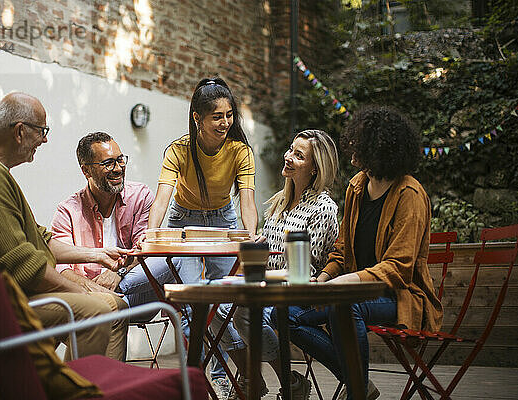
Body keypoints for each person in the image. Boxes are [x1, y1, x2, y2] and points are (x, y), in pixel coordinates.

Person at [0, 92, 130, 361]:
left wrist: (95, 254)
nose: (45, 139)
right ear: (20, 132)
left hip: (10, 296)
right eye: (42, 131)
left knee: (116, 305)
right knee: (100, 311)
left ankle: (75, 384)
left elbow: (38, 238)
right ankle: (75, 390)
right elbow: (24, 265)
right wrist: (81, 290)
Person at [278, 105, 443, 400]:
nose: (352, 149)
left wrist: (341, 285)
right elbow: (342, 250)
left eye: (360, 144)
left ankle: (355, 392)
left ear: (379, 150)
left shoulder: (411, 195)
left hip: (398, 295)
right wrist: (325, 278)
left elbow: (398, 268)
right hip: (350, 291)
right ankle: (359, 384)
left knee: (347, 306)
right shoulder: (357, 187)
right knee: (284, 313)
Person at [147, 77, 259, 398]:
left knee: (227, 303)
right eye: (217, 117)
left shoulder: (240, 151)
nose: (225, 122)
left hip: (223, 222)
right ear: (198, 117)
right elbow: (162, 198)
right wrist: (153, 233)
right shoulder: (179, 150)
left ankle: (220, 371)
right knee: (194, 299)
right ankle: (203, 373)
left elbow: (247, 202)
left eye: (229, 115)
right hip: (184, 221)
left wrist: (248, 237)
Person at [215, 130, 340, 399]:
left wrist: (261, 278)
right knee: (214, 309)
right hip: (267, 285)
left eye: (298, 155)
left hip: (302, 293)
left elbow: (304, 270)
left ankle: (290, 382)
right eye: (290, 149)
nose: (288, 156)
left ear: (315, 168)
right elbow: (270, 253)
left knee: (244, 314)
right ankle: (251, 379)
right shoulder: (279, 203)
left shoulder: (323, 207)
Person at [50, 132, 181, 312]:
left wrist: (118, 274)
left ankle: (106, 302)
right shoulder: (68, 210)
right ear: (86, 170)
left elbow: (143, 248)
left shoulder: (140, 196)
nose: (118, 168)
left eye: (120, 160)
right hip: (86, 294)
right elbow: (61, 267)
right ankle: (104, 303)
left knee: (175, 258)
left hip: (133, 292)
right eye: (108, 163)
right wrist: (91, 289)